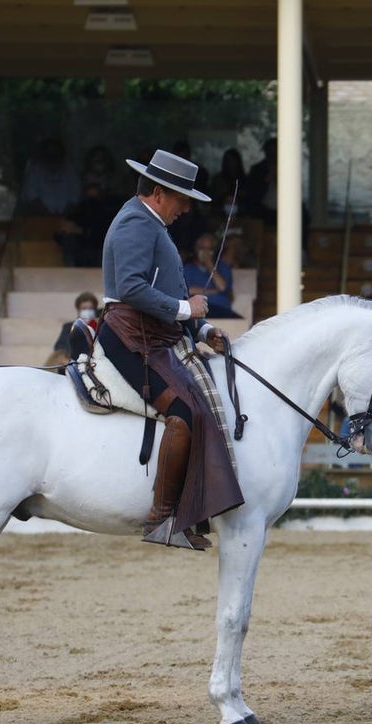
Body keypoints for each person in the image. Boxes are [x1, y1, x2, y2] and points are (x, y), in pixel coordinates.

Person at [99, 148, 243, 551]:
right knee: (184, 411)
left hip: (154, 334)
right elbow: (130, 287)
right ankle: (162, 519)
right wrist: (186, 309)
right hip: (131, 337)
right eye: (182, 199)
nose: (186, 208)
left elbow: (170, 292)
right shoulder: (135, 222)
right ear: (159, 193)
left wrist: (203, 329)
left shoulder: (151, 223)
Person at [56, 182, 116, 268]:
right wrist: (66, 229)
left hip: (99, 250)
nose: (91, 194)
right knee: (69, 240)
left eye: (94, 190)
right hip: (81, 249)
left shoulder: (106, 211)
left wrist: (81, 231)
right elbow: (60, 234)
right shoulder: (80, 209)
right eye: (89, 190)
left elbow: (102, 232)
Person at [19, 137, 82, 216]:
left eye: (56, 153)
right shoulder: (34, 170)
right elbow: (31, 198)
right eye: (49, 154)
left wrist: (63, 216)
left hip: (66, 219)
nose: (53, 157)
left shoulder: (71, 171)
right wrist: (49, 216)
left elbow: (75, 198)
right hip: (40, 219)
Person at [183, 232, 241, 319]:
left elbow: (222, 287)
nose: (206, 252)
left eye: (209, 249)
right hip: (199, 309)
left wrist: (209, 265)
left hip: (222, 308)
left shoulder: (223, 267)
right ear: (196, 250)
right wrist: (214, 291)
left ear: (214, 251)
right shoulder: (188, 268)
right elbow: (189, 291)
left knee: (240, 321)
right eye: (202, 248)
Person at [46, 292, 99, 368]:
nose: (87, 312)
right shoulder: (68, 327)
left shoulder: (99, 328)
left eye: (90, 309)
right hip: (72, 365)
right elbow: (59, 347)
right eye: (84, 309)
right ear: (78, 310)